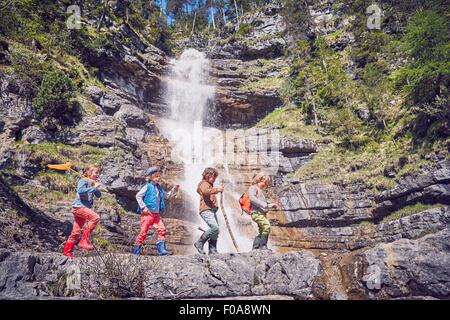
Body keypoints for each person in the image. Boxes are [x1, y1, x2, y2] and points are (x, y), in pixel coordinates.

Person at [133, 166, 179, 256]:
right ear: (150, 177)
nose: (158, 178)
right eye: (156, 176)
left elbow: (166, 196)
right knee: (143, 232)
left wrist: (174, 189)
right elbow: (138, 196)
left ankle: (162, 250)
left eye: (159, 176)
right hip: (147, 213)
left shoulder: (159, 188)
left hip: (156, 215)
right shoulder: (147, 186)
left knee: (162, 229)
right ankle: (136, 251)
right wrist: (143, 207)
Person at [63, 164, 102, 257]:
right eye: (96, 172)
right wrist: (94, 187)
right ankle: (84, 240)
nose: (98, 174)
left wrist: (95, 187)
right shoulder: (83, 180)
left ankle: (67, 252)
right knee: (95, 218)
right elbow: (80, 190)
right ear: (89, 172)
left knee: (76, 232)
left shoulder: (92, 182)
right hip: (79, 207)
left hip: (83, 208)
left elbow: (99, 195)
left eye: (98, 173)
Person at [194, 167, 224, 255]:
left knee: (216, 230)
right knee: (215, 228)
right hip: (206, 210)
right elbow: (205, 191)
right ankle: (199, 243)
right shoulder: (204, 183)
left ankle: (212, 249)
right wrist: (217, 190)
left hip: (211, 210)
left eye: (215, 177)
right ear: (207, 176)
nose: (214, 179)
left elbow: (203, 191)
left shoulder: (209, 185)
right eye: (212, 177)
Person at [248, 172, 276, 251]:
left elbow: (263, 204)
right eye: (266, 181)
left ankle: (255, 247)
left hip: (261, 213)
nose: (267, 184)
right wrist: (264, 204)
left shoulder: (260, 190)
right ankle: (263, 246)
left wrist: (270, 205)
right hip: (256, 213)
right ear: (261, 180)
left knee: (261, 230)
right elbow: (252, 199)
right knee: (267, 226)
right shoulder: (253, 188)